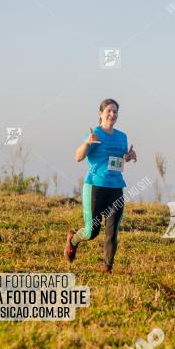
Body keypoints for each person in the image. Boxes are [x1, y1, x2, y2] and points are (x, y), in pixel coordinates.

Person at [64, 98, 137, 273]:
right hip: (95, 187)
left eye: (115, 112)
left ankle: (107, 268)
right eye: (109, 111)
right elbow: (78, 157)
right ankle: (73, 240)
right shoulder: (94, 133)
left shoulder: (122, 136)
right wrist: (87, 143)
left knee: (112, 231)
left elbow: (119, 161)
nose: (112, 114)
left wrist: (128, 156)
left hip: (116, 188)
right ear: (101, 113)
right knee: (92, 231)